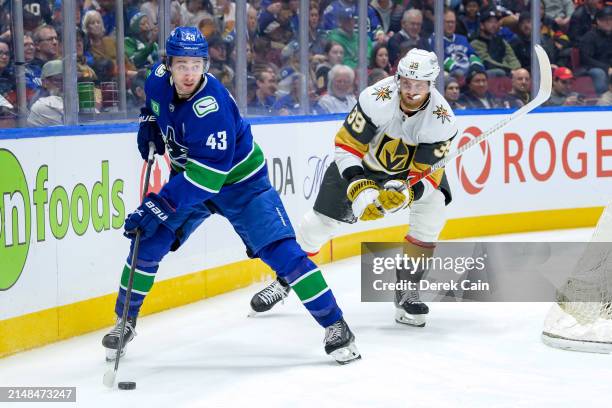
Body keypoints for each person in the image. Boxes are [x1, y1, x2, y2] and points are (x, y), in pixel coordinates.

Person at [100, 27, 361, 365]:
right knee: (146, 243)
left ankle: (336, 326)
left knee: (283, 253)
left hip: (241, 185)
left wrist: (159, 204)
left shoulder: (212, 108)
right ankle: (125, 321)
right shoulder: (156, 79)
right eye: (182, 65)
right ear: (169, 64)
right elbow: (152, 103)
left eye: (196, 64)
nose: (189, 73)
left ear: (205, 65)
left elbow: (207, 178)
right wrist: (149, 120)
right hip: (190, 177)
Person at [250, 49, 458, 328]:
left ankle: (407, 287)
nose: (410, 90)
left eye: (418, 85)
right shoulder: (376, 97)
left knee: (432, 212)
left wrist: (404, 194)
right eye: (406, 82)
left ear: (431, 84)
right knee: (316, 227)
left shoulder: (442, 120)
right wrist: (362, 191)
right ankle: (285, 279)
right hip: (360, 165)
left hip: (406, 175)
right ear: (398, 78)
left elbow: (427, 177)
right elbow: (347, 146)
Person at [470, 8, 521, 76]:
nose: (494, 25)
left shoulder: (501, 41)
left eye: (495, 22)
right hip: (490, 75)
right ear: (482, 25)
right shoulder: (475, 43)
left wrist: (517, 70)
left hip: (509, 72)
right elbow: (487, 62)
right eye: (490, 22)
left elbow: (512, 58)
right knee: (499, 72)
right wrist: (509, 70)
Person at [579, 6, 612, 95]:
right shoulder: (590, 37)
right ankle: (602, 99)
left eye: (611, 19)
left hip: (609, 67)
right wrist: (606, 68)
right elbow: (586, 59)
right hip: (592, 67)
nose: (608, 22)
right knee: (599, 73)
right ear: (598, 21)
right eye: (605, 20)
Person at [27, 59, 64, 126]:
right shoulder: (42, 104)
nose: (64, 84)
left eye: (68, 79)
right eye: (58, 80)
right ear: (45, 82)